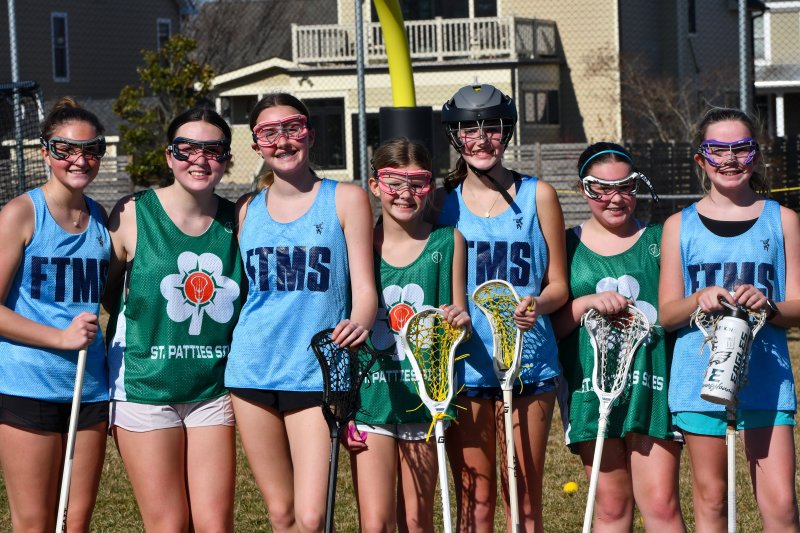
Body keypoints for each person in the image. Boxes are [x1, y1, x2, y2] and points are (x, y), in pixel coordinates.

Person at [225, 92, 377, 532]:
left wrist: (361, 320)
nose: (283, 141)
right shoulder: (247, 209)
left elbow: (364, 289)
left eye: (292, 128)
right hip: (251, 369)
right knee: (281, 513)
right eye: (269, 133)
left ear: (309, 133)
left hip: (316, 372)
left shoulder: (346, 199)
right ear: (256, 145)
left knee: (312, 517)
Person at [436, 84, 569, 532]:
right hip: (466, 365)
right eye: (468, 129)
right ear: (455, 136)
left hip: (529, 362)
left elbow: (558, 287)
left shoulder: (539, 195)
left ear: (506, 132)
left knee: (524, 496)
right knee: (476, 498)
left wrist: (538, 303)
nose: (481, 139)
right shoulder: (441, 203)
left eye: (491, 128)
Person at [659, 107, 800, 531]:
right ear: (700, 159)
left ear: (755, 156)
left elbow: (798, 307)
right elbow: (667, 315)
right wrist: (699, 298)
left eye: (741, 148)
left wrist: (769, 305)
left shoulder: (783, 220)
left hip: (766, 380)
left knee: (782, 506)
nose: (730, 159)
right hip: (698, 379)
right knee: (713, 501)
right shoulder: (677, 226)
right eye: (717, 150)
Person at [105, 107, 242, 532]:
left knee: (214, 525)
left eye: (213, 149)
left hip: (211, 388)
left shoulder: (238, 219)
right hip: (145, 386)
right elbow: (109, 296)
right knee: (168, 524)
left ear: (226, 158)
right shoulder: (130, 214)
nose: (199, 159)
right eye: (186, 148)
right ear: (168, 156)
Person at [551, 142, 684, 532]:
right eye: (601, 188)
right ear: (581, 189)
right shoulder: (565, 244)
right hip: (591, 389)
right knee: (610, 507)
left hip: (652, 385)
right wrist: (586, 303)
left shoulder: (661, 240)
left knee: (661, 503)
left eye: (625, 187)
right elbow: (553, 328)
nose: (614, 198)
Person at [346, 137, 470, 532]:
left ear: (430, 187)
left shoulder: (447, 242)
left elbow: (460, 326)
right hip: (371, 401)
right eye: (393, 182)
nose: (405, 193)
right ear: (374, 184)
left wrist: (460, 322)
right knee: (376, 523)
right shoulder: (357, 245)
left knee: (417, 522)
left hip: (424, 402)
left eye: (417, 183)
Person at [0, 97, 110, 531]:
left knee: (74, 523)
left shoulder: (102, 219)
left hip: (90, 390)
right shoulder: (22, 214)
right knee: (35, 522)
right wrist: (60, 338)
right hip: (29, 386)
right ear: (46, 152)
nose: (79, 159)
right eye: (65, 149)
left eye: (90, 149)